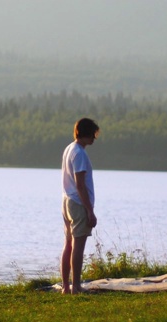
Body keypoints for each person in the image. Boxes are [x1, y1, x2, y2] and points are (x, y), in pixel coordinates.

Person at [60, 118, 99, 294]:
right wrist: (90, 210)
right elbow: (80, 184)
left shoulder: (69, 149)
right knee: (78, 246)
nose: (94, 138)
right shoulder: (80, 154)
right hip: (77, 203)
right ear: (85, 133)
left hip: (66, 201)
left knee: (68, 244)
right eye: (93, 134)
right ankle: (76, 286)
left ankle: (66, 287)